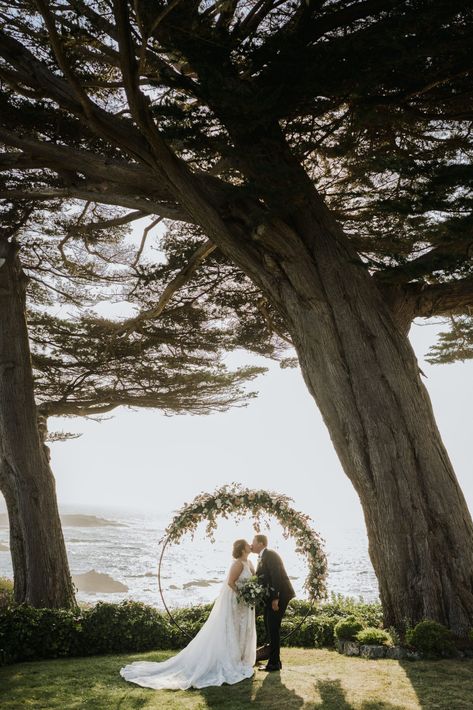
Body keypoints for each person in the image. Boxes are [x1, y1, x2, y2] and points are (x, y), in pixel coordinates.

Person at [120, 539, 257, 690]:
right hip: (235, 602)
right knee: (232, 627)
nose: (250, 545)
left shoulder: (250, 563)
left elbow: (255, 580)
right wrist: (242, 595)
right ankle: (231, 659)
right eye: (247, 544)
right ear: (242, 549)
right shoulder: (237, 564)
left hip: (246, 604)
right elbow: (231, 583)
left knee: (243, 629)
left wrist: (253, 593)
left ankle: (241, 659)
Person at [251, 534, 295, 672]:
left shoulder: (271, 555)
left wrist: (275, 598)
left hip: (280, 595)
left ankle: (274, 664)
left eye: (254, 542)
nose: (251, 544)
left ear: (261, 543)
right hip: (271, 597)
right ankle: (275, 661)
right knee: (270, 626)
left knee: (273, 628)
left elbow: (276, 576)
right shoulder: (262, 557)